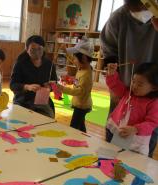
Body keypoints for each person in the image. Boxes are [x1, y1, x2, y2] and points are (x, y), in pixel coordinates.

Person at [100, 0, 158, 154]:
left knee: (139, 158)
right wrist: (112, 71)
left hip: (152, 98)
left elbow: (151, 123)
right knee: (111, 149)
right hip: (125, 95)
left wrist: (136, 129)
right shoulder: (118, 17)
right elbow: (109, 50)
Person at [106, 63, 158, 156]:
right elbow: (114, 85)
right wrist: (111, 74)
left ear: (154, 87)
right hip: (118, 132)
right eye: (133, 81)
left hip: (136, 140)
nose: (134, 86)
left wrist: (135, 129)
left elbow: (152, 123)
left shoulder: (153, 102)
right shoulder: (128, 92)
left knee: (132, 161)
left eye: (140, 84)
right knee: (112, 155)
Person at [10, 35, 57, 118]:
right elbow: (13, 85)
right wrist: (27, 87)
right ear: (27, 50)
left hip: (42, 101)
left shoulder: (49, 64)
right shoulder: (20, 63)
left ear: (43, 48)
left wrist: (50, 86)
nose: (37, 52)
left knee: (47, 121)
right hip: (23, 101)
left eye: (39, 48)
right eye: (33, 49)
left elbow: (54, 83)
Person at [56, 37, 94, 132]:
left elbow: (78, 91)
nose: (74, 61)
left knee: (73, 128)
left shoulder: (86, 75)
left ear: (84, 58)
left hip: (82, 106)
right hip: (80, 103)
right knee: (80, 126)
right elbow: (74, 60)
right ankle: (84, 139)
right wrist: (65, 51)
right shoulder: (83, 67)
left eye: (76, 58)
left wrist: (61, 88)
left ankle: (72, 142)